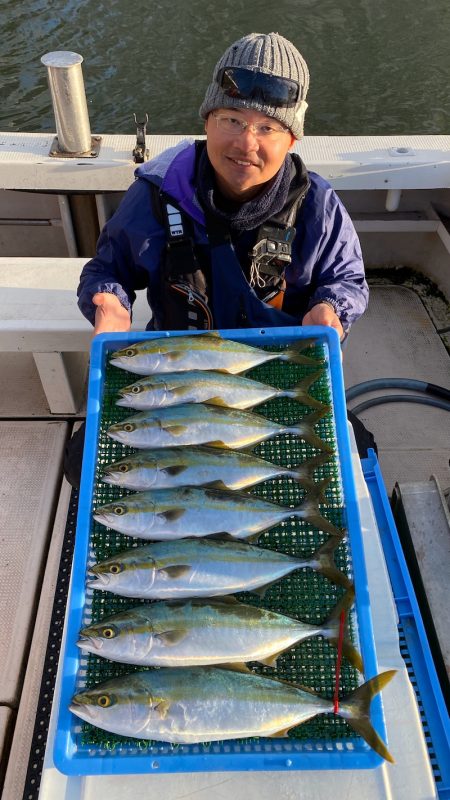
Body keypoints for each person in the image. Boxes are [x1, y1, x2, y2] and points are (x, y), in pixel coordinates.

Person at [65, 32, 373, 488]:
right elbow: (107, 270)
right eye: (231, 118)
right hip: (174, 376)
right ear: (207, 121)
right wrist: (108, 304)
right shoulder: (155, 193)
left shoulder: (317, 206)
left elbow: (346, 279)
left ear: (292, 138)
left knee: (358, 454)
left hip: (273, 373)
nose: (246, 143)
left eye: (267, 127)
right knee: (82, 461)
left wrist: (332, 310)